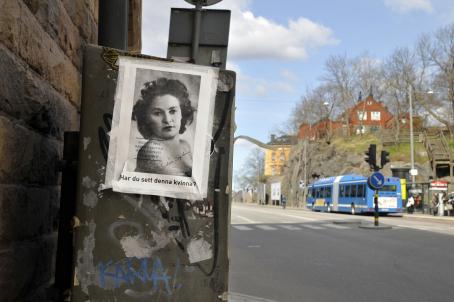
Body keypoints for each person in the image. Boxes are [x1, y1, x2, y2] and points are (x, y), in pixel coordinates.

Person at [132, 78, 195, 176]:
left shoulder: (184, 145)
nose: (167, 119)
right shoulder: (151, 150)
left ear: (182, 112)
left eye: (172, 111)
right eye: (157, 113)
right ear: (146, 118)